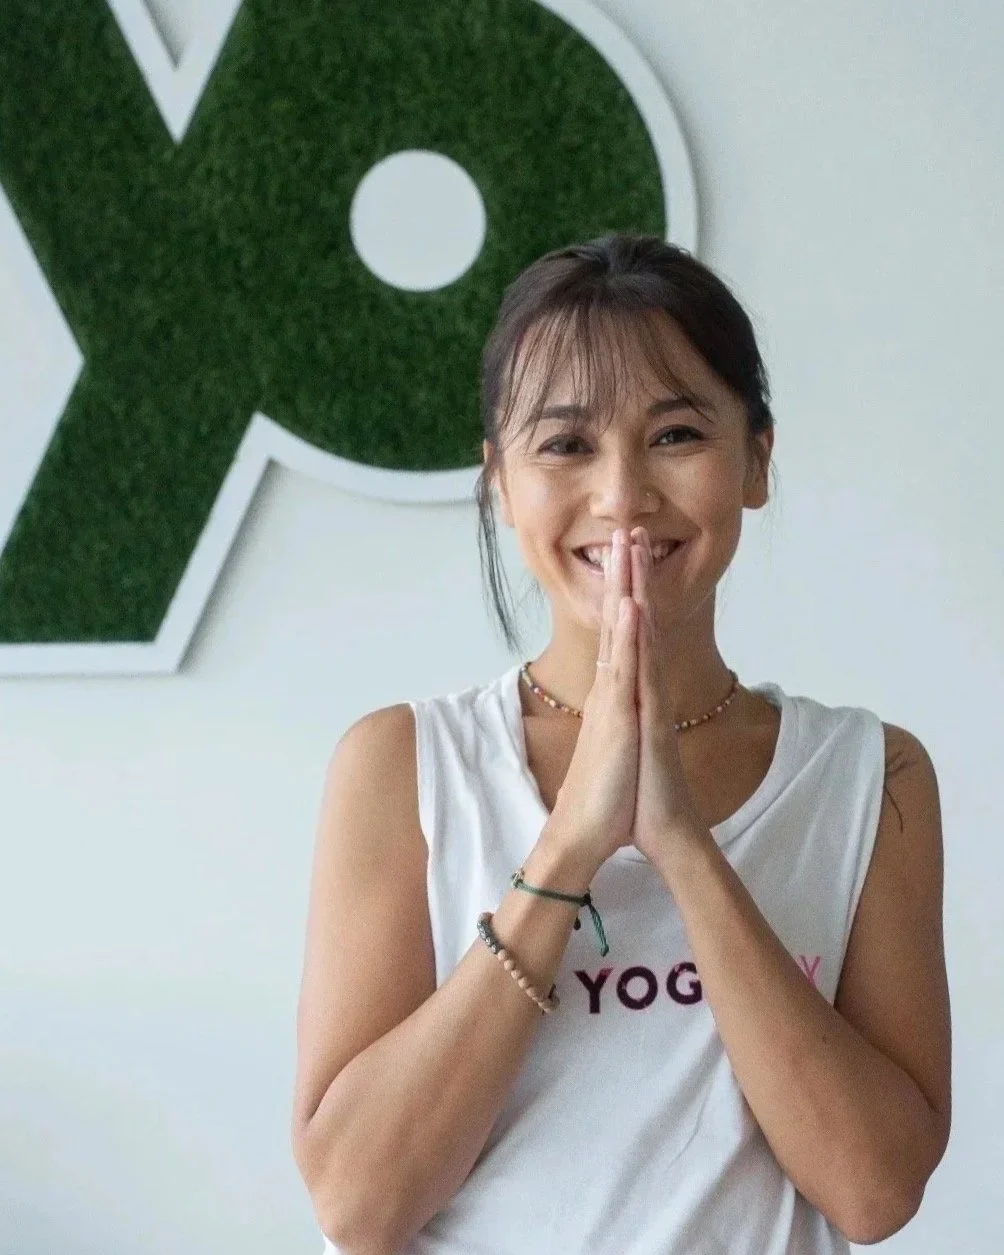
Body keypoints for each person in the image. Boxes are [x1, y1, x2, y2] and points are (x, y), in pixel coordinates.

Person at [290, 233, 951, 1254]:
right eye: (564, 445)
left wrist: (681, 844)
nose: (621, 495)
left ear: (756, 460)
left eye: (675, 433)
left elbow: (873, 1191)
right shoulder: (402, 765)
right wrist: (564, 852)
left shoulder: (872, 774)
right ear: (500, 483)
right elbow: (357, 1205)